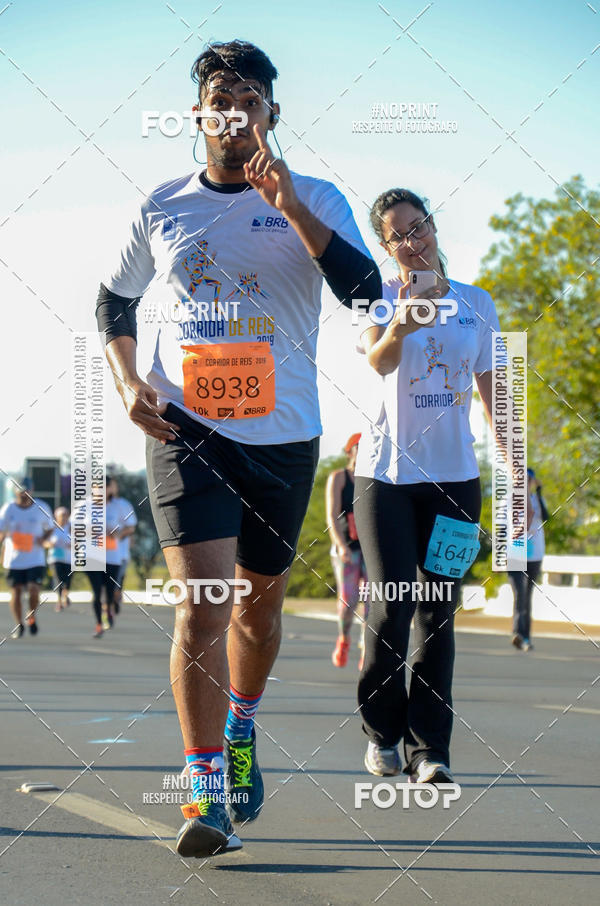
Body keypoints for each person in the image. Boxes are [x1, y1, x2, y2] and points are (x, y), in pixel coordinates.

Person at [96, 40, 381, 857]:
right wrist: (127, 382)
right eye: (219, 98)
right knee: (203, 604)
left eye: (249, 99)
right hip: (186, 427)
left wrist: (291, 207)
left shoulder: (316, 196)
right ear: (197, 115)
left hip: (283, 436)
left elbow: (367, 295)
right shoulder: (162, 205)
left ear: (270, 114)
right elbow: (113, 299)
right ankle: (206, 789)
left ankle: (242, 726)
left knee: (258, 613)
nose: (233, 112)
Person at [353, 187, 503, 784]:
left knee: (439, 612)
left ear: (433, 227)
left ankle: (430, 751)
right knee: (393, 605)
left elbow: (495, 390)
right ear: (384, 246)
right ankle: (382, 733)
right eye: (398, 236)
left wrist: (515, 464)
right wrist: (403, 322)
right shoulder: (375, 299)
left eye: (418, 227)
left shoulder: (477, 303)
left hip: (456, 483)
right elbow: (379, 361)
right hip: (385, 479)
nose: (412, 242)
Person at [326, 433, 368, 668]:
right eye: (360, 447)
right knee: (348, 600)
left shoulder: (375, 479)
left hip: (369, 548)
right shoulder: (339, 478)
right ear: (350, 451)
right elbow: (332, 516)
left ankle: (366, 649)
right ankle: (344, 639)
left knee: (372, 600)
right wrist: (341, 545)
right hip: (347, 547)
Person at [0, 478, 53, 638]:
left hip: (35, 558)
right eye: (21, 491)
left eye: (27, 491)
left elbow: (50, 527)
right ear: (15, 492)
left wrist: (43, 538)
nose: (24, 494)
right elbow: (1, 531)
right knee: (16, 592)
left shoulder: (41, 507)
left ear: (32, 490)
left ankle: (31, 615)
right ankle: (19, 624)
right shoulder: (8, 509)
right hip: (14, 559)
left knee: (33, 589)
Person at [508, 467, 549, 652]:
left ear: (532, 482)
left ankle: (525, 637)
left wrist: (539, 494)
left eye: (529, 480)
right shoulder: (511, 498)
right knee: (519, 593)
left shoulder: (538, 500)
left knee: (527, 595)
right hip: (516, 552)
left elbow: (545, 517)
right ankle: (518, 633)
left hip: (535, 554)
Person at [108, 478, 137, 615]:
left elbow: (131, 527)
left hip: (121, 552)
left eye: (111, 486)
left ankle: (114, 598)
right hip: (102, 553)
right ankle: (108, 605)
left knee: (117, 580)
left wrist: (119, 536)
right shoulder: (94, 505)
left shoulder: (123, 505)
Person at [45, 506, 72, 611]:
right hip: (55, 557)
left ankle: (66, 594)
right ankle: (59, 601)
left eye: (65, 515)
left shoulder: (71, 527)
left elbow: (79, 540)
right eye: (61, 515)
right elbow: (43, 541)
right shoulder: (51, 528)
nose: (64, 518)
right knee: (58, 578)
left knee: (67, 579)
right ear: (56, 516)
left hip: (68, 558)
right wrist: (49, 544)